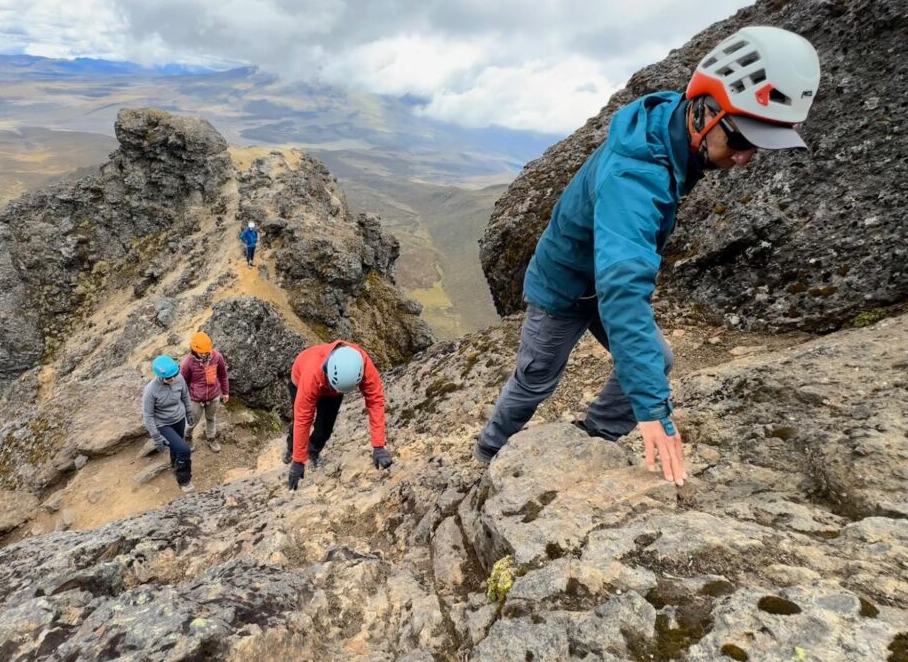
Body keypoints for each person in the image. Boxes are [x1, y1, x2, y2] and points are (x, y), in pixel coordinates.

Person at [473, 26, 821, 487]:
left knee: (656, 357)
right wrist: (652, 409)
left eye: (760, 146)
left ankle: (597, 434)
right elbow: (621, 285)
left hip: (596, 278)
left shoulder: (669, 127)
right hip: (564, 287)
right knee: (536, 380)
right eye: (742, 141)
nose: (746, 158)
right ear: (704, 111)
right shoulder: (637, 174)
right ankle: (489, 452)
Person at [284, 341, 393, 491]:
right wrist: (298, 461)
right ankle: (291, 446)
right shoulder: (312, 374)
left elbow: (375, 402)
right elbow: (304, 418)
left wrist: (379, 446)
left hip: (333, 390)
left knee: (324, 429)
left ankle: (313, 452)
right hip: (301, 377)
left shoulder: (364, 365)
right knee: (298, 419)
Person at [142, 355, 197, 493]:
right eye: (168, 378)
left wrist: (189, 413)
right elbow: (148, 415)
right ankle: (184, 480)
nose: (172, 379)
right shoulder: (151, 390)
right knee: (184, 449)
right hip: (163, 425)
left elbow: (185, 396)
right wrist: (156, 437)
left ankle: (175, 465)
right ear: (160, 376)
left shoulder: (179, 379)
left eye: (174, 375)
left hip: (179, 419)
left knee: (176, 447)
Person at [180, 331, 230, 453]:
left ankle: (211, 439)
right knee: (192, 421)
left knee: (211, 418)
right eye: (201, 352)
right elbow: (183, 383)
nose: (203, 354)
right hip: (195, 398)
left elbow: (223, 375)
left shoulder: (217, 357)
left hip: (214, 395)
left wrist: (225, 392)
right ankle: (187, 437)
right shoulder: (187, 363)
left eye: (206, 352)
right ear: (194, 349)